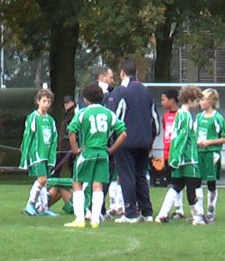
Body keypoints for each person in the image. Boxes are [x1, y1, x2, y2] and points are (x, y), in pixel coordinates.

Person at [64, 82, 127, 229]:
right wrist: (111, 149)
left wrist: (75, 149)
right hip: (103, 155)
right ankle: (95, 220)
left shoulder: (82, 113)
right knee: (98, 186)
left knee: (77, 183)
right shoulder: (108, 114)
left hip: (87, 152)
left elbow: (71, 131)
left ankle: (79, 219)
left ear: (86, 99)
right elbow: (123, 133)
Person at [106, 59, 159, 223]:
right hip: (144, 141)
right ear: (136, 73)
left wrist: (110, 140)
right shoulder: (146, 91)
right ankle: (147, 212)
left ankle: (130, 212)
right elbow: (155, 119)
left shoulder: (120, 92)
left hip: (125, 141)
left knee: (127, 175)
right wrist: (151, 138)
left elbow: (114, 118)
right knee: (141, 175)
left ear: (122, 73)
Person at [156, 85, 205, 225]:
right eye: (197, 100)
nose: (199, 104)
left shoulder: (180, 114)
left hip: (180, 159)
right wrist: (175, 160)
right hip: (188, 159)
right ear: (190, 100)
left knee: (177, 186)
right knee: (192, 188)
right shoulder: (185, 115)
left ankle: (162, 214)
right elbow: (181, 138)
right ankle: (198, 217)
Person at [20, 88, 58, 216]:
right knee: (42, 179)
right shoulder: (33, 117)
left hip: (46, 155)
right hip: (37, 154)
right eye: (44, 101)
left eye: (48, 101)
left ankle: (44, 207)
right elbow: (28, 136)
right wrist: (25, 155)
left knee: (44, 180)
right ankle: (30, 204)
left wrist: (52, 157)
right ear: (38, 101)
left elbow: (54, 139)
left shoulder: (50, 120)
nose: (46, 104)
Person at [197, 88, 225, 223]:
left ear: (210, 101)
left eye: (203, 99)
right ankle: (198, 212)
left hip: (211, 154)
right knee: (196, 182)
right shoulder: (198, 117)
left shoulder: (217, 118)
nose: (200, 102)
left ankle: (211, 211)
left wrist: (210, 142)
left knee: (211, 183)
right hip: (199, 153)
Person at [159, 89, 185, 219]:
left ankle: (179, 208)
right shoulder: (165, 116)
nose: (162, 102)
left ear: (172, 100)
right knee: (172, 180)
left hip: (177, 153)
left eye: (164, 99)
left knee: (178, 180)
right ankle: (177, 207)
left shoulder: (182, 115)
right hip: (167, 152)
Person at [50, 95, 77, 177]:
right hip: (64, 143)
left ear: (72, 103)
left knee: (66, 162)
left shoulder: (73, 114)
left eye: (68, 103)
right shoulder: (68, 114)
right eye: (65, 103)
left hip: (68, 144)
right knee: (62, 162)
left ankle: (55, 176)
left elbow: (71, 129)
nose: (66, 105)